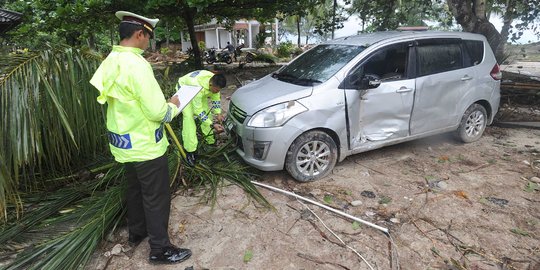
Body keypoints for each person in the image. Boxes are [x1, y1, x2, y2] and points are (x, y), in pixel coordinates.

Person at [89, 11, 191, 264]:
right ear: (139, 34)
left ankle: (137, 233)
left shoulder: (111, 60)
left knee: (135, 190)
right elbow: (158, 112)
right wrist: (174, 104)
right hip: (145, 145)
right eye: (149, 36)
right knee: (156, 196)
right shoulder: (137, 65)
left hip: (124, 143)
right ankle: (160, 249)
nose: (149, 42)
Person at [177, 70, 227, 166]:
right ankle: (190, 151)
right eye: (216, 90)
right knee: (189, 118)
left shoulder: (214, 80)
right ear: (211, 84)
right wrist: (212, 124)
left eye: (219, 90)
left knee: (207, 114)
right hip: (185, 89)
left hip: (200, 92)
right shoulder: (196, 86)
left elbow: (215, 97)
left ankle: (210, 142)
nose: (217, 92)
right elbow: (198, 110)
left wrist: (218, 113)